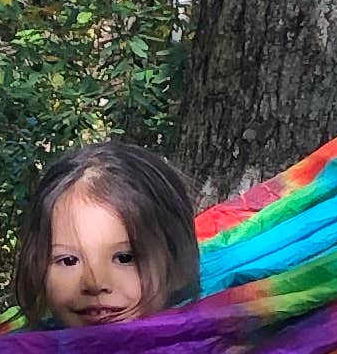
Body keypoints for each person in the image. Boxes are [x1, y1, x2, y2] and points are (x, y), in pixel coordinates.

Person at [14, 138, 202, 328]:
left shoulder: (213, 350)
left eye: (125, 258)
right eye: (69, 260)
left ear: (177, 265)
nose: (94, 283)